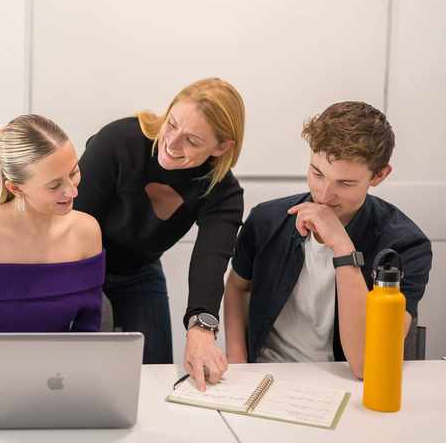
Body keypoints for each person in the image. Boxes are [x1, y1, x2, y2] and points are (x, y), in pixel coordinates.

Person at [224, 101, 432, 378]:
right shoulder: (266, 220)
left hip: (346, 381)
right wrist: (238, 365)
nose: (323, 195)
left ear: (379, 175)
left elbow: (367, 365)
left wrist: (343, 248)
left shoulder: (406, 246)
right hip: (265, 376)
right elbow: (237, 287)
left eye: (345, 183)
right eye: (317, 173)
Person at [73, 78, 245, 389]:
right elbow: (72, 225)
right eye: (172, 124)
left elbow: (210, 261)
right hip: (79, 266)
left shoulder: (223, 192)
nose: (172, 143)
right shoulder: (119, 141)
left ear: (221, 147)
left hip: (139, 272)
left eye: (192, 140)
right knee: (77, 375)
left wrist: (201, 328)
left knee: (155, 377)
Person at [0, 115, 104, 367]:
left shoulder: (86, 232)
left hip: (59, 381)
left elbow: (87, 339)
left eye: (74, 172)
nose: (72, 190)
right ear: (15, 188)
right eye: (54, 185)